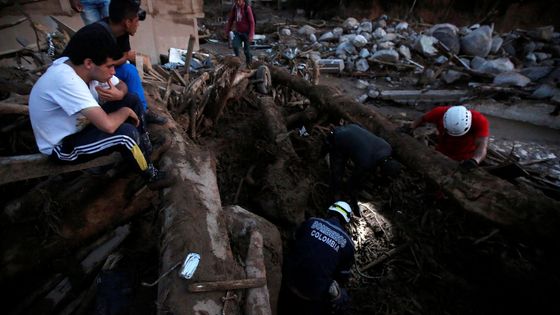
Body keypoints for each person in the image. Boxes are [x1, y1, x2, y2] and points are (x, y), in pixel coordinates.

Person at [29, 23, 172, 190]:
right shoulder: (66, 80)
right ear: (89, 63)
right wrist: (124, 111)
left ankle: (145, 148)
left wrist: (120, 94)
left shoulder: (85, 67)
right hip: (62, 146)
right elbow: (108, 126)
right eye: (110, 66)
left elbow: (123, 86)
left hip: (83, 127)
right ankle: (150, 175)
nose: (113, 72)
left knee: (132, 99)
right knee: (126, 134)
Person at [64, 0, 167, 125]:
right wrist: (126, 57)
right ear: (127, 22)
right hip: (80, 78)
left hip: (96, 71)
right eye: (136, 20)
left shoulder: (121, 31)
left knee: (130, 71)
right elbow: (102, 65)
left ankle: (143, 111)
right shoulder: (98, 35)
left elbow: (118, 60)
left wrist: (121, 89)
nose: (138, 24)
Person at [280, 201, 355, 315]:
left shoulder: (311, 222)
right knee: (342, 297)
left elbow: (294, 243)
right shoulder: (348, 244)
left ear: (329, 211)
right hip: (312, 293)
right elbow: (342, 276)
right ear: (346, 221)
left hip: (288, 279)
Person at [326, 124, 402, 215]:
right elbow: (352, 182)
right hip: (338, 137)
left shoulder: (387, 148)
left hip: (352, 127)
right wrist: (354, 202)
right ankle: (334, 196)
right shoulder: (367, 162)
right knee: (337, 172)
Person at [409, 105, 489, 170]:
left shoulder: (479, 120)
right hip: (442, 153)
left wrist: (475, 160)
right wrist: (410, 128)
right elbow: (423, 118)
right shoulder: (439, 112)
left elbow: (482, 144)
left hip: (466, 157)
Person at [225, 0, 255, 67]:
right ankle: (237, 62)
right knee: (235, 45)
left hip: (246, 33)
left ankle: (249, 64)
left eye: (239, 0)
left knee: (246, 51)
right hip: (238, 32)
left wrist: (251, 35)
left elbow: (252, 22)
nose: (238, 2)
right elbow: (230, 20)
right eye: (236, 0)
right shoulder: (235, 8)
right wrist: (227, 31)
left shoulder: (247, 8)